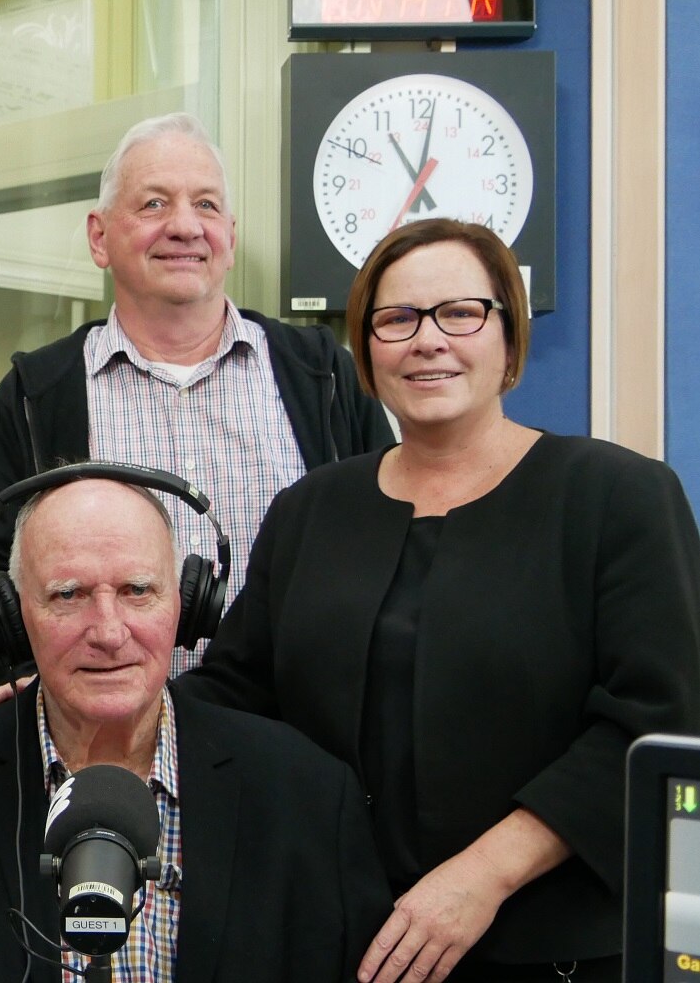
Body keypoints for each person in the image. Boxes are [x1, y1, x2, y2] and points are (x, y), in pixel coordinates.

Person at [177, 218, 700, 982]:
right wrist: (67, 709)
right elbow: (233, 693)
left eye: (461, 313)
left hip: (556, 947)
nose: (427, 340)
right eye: (395, 319)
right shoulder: (311, 509)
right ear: (365, 352)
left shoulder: (616, 496)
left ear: (509, 341)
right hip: (349, 940)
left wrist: (480, 877)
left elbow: (658, 717)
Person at [0, 470, 391, 982]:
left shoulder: (310, 796)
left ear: (187, 604)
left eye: (137, 591)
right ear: (12, 614)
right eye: (68, 595)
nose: (108, 631)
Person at [0, 111, 392, 690]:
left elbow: (389, 550)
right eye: (154, 204)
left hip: (302, 743)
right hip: (102, 747)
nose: (186, 226)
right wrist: (28, 700)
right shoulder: (38, 393)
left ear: (231, 239)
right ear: (99, 236)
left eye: (207, 205)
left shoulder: (322, 375)